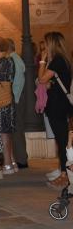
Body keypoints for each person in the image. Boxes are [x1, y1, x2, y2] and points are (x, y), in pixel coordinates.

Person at [38, 31, 72, 188]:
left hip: (58, 106)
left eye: (45, 43)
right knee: (62, 139)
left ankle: (65, 175)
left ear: (51, 43)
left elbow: (41, 79)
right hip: (60, 104)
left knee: (62, 139)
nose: (44, 46)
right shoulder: (62, 60)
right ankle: (64, 171)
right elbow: (51, 82)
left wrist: (42, 61)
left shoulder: (57, 60)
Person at [0, 37, 16, 174]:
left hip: (1, 101)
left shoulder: (2, 62)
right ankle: (11, 162)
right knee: (7, 132)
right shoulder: (9, 60)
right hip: (7, 99)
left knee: (4, 133)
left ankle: (7, 165)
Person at [7, 38, 28, 169]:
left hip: (16, 99)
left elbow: (16, 83)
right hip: (18, 98)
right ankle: (21, 158)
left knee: (17, 130)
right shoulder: (17, 59)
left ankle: (21, 160)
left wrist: (14, 100)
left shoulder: (12, 60)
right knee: (17, 130)